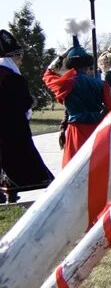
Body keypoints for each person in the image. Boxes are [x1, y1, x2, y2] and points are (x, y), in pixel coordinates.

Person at [42, 23, 111, 223]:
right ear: (87, 65)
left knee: (73, 174)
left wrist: (60, 57)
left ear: (70, 65)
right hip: (97, 129)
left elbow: (47, 75)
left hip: (75, 130)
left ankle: (77, 215)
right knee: (98, 172)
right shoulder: (100, 83)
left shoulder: (65, 83)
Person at [0, 29, 53, 202]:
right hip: (13, 127)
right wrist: (31, 101)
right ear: (13, 57)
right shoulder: (13, 78)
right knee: (20, 158)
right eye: (19, 57)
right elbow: (23, 102)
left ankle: (7, 192)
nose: (21, 61)